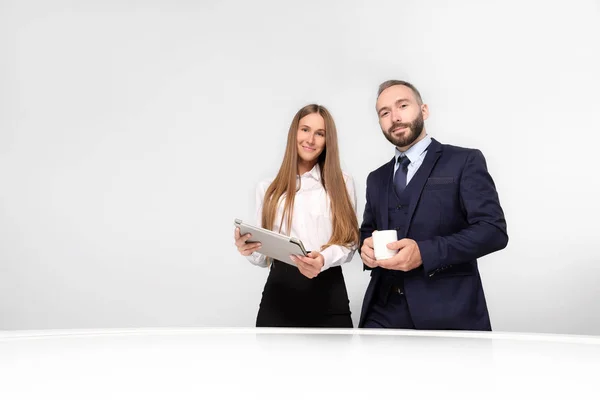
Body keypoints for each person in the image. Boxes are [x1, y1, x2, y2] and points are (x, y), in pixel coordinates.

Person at [358, 80, 508, 330]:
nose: (394, 117)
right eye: (384, 112)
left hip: (448, 312)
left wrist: (424, 253)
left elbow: (493, 230)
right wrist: (366, 249)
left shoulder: (464, 160)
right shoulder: (376, 178)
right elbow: (368, 229)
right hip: (382, 313)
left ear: (424, 110)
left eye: (402, 105)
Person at [234, 104, 359, 328]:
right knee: (271, 362)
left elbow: (349, 242)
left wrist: (323, 259)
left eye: (320, 133)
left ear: (327, 140)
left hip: (329, 295)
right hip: (279, 298)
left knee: (339, 362)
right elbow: (263, 259)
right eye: (305, 130)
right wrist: (249, 250)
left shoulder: (342, 182)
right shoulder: (268, 188)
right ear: (294, 133)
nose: (310, 139)